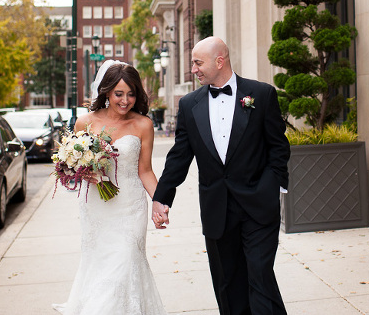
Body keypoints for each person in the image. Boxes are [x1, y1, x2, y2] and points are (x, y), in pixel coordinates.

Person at [152, 37, 290, 315]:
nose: (193, 69)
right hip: (217, 208)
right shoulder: (190, 105)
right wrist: (161, 197)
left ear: (220, 60)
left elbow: (278, 146)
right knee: (228, 284)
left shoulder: (261, 95)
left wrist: (273, 184)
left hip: (258, 206)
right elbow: (180, 156)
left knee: (260, 277)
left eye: (198, 62)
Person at [54, 61, 166, 315]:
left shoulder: (143, 125)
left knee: (124, 266)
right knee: (100, 268)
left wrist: (160, 201)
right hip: (97, 209)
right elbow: (71, 166)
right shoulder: (84, 123)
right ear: (106, 92)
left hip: (131, 208)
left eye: (131, 94)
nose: (125, 100)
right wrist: (85, 173)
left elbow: (145, 170)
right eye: (119, 94)